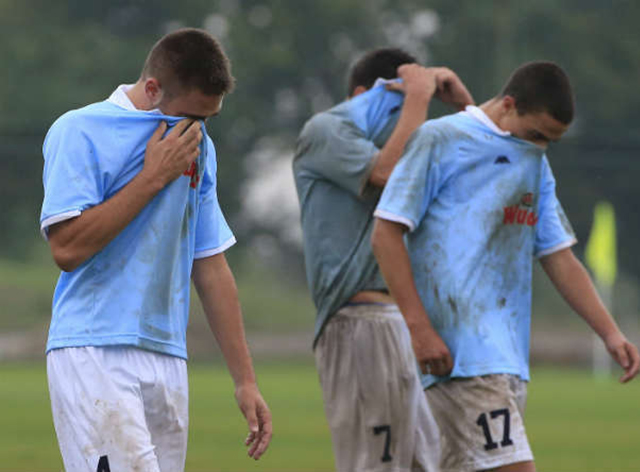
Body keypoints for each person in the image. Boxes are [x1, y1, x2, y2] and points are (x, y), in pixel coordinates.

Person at [371, 61, 640, 472]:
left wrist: (609, 332)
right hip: (463, 356)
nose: (540, 147)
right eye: (537, 134)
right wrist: (420, 329)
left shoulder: (535, 162)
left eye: (551, 141)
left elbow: (559, 256)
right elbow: (385, 235)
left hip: (509, 358)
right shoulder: (439, 139)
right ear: (509, 105)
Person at [40, 28, 272, 472]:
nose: (197, 130)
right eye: (190, 116)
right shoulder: (79, 130)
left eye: (208, 120)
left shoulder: (199, 145)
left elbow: (210, 264)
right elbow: (66, 249)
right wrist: (152, 178)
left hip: (167, 353)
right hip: (95, 348)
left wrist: (245, 381)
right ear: (152, 89)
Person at [293, 48, 474, 471]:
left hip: (409, 321)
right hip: (359, 322)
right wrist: (415, 100)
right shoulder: (326, 129)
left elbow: (477, 169)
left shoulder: (411, 139)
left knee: (429, 463)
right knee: (373, 465)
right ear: (363, 96)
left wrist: (463, 104)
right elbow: (386, 176)